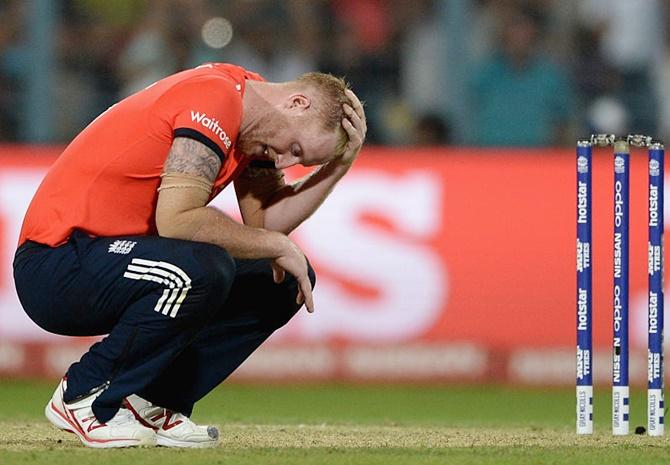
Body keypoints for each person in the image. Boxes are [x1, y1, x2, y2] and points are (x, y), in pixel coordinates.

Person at [13, 62, 366, 448]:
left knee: (278, 282)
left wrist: (337, 168)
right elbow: (178, 220)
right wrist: (277, 245)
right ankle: (85, 395)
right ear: (297, 103)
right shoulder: (214, 99)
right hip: (56, 263)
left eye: (299, 161)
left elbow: (264, 226)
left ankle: (150, 403)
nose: (283, 162)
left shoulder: (255, 119)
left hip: (112, 260)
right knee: (201, 268)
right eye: (295, 150)